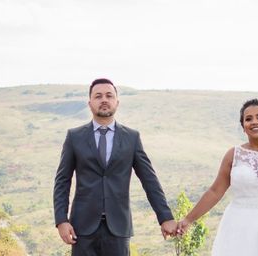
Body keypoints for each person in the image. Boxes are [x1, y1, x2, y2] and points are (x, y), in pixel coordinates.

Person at [53, 78, 177, 255]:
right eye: (98, 96)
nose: (104, 99)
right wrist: (61, 220)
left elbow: (150, 180)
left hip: (118, 228)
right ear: (90, 103)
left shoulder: (131, 138)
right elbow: (62, 182)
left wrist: (165, 217)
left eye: (109, 95)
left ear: (116, 102)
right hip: (82, 229)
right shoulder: (75, 137)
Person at [176, 98, 258, 255]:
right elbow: (215, 191)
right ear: (243, 127)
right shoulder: (233, 155)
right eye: (248, 119)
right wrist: (188, 220)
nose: (254, 122)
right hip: (238, 225)